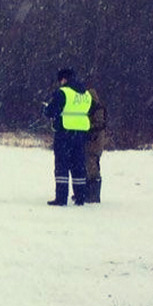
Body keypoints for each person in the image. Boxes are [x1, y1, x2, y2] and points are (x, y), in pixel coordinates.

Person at [43, 68, 93, 206]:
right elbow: (91, 109)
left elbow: (51, 111)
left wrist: (46, 109)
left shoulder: (63, 92)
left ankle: (61, 198)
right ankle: (80, 197)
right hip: (81, 134)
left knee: (62, 165)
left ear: (64, 79)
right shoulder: (86, 94)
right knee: (78, 165)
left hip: (64, 133)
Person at [85, 88, 108, 204]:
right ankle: (88, 193)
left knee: (92, 165)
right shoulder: (96, 108)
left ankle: (93, 195)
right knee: (89, 164)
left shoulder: (97, 109)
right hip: (93, 140)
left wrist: (86, 126)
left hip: (95, 140)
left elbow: (99, 124)